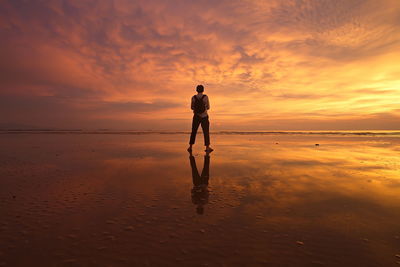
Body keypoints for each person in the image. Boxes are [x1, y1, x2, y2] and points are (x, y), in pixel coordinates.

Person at [188, 85, 213, 152]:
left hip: (196, 116)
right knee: (206, 132)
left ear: (196, 90)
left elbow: (192, 107)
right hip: (204, 116)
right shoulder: (205, 97)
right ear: (203, 90)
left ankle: (190, 147)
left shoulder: (193, 97)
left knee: (193, 131)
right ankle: (207, 147)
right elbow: (208, 107)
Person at [189, 150, 210, 215]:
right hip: (200, 184)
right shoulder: (196, 202)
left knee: (204, 168)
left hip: (200, 184)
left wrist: (196, 188)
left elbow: (192, 192)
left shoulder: (203, 202)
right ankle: (191, 157)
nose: (200, 206)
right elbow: (192, 192)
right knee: (195, 169)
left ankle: (206, 156)